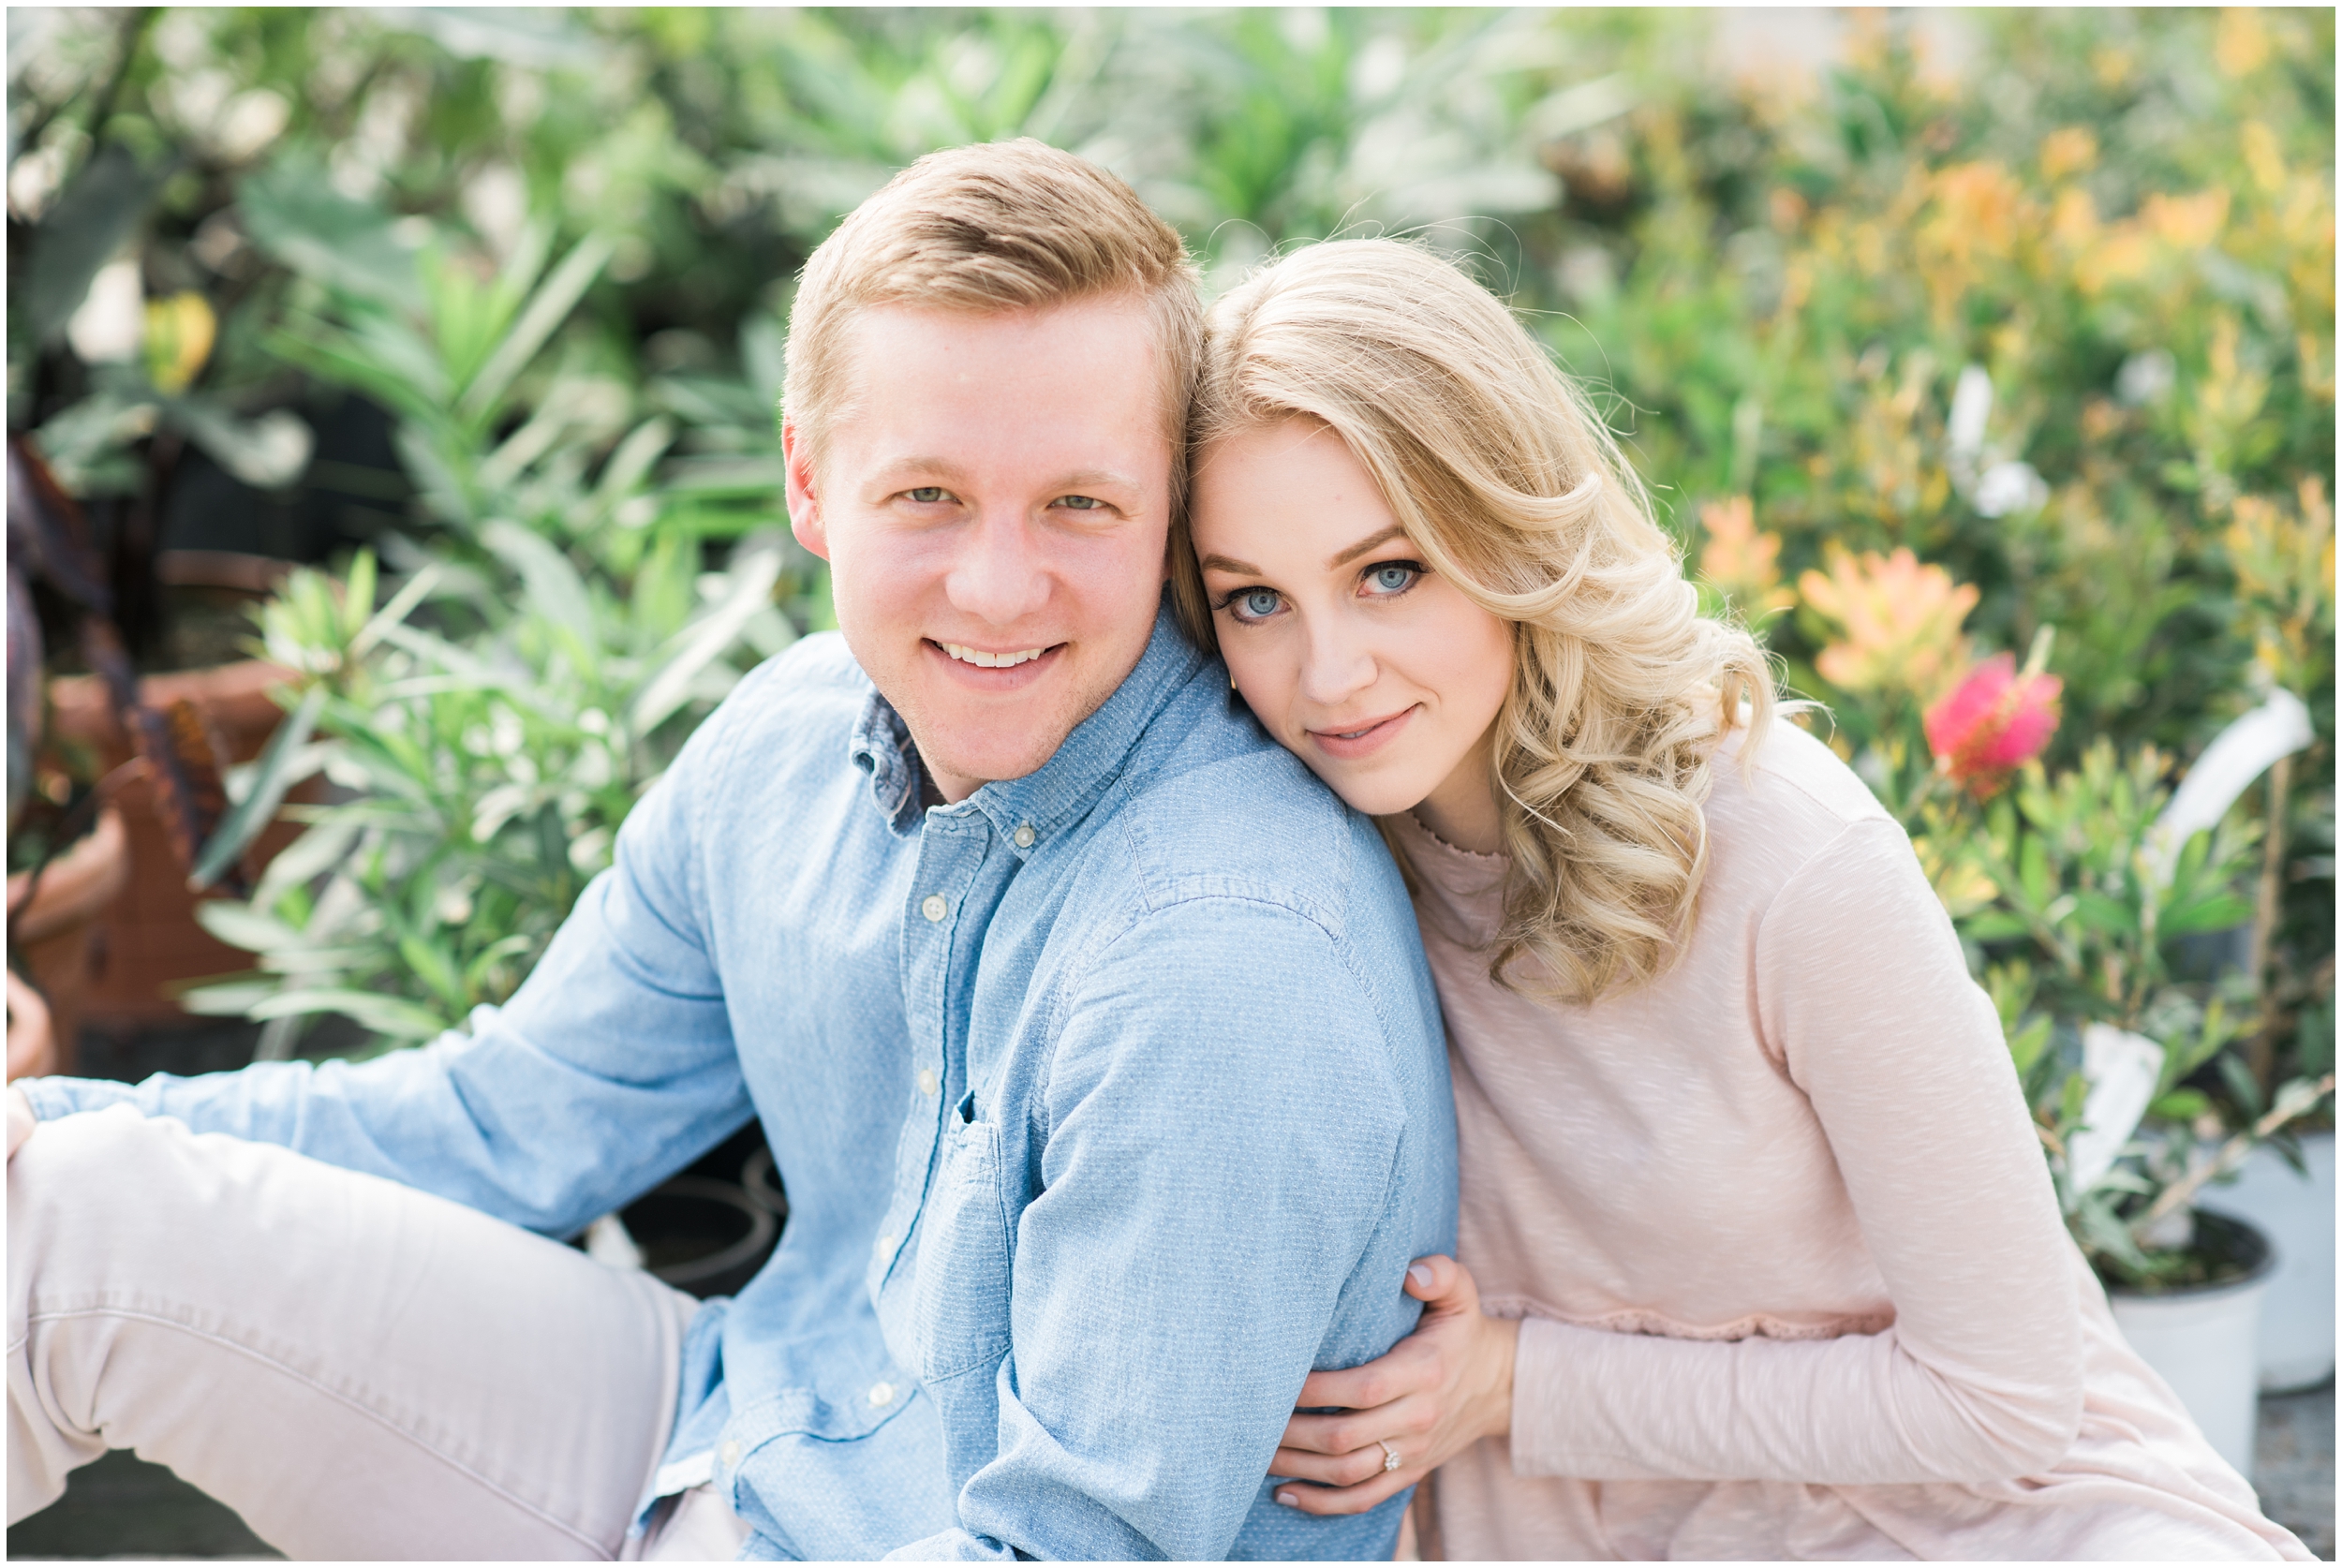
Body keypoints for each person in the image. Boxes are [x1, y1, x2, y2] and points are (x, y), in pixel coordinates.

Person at [5, 144, 1457, 1562]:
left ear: (1168, 515)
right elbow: (505, 1125)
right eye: (926, 496)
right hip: (727, 1418)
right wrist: (37, 1113)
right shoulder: (786, 746)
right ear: (811, 487)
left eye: (1080, 502)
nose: (1001, 584)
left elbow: (1072, 1551)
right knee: (59, 1215)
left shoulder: (1227, 959)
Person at [1178, 237, 2311, 1561]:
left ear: (1508, 524)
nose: (1331, 675)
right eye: (1254, 598)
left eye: (1390, 572)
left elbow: (2003, 1400)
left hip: (1991, 1523)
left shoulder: (1785, 852)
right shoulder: (1289, 875)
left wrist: (1513, 1381)